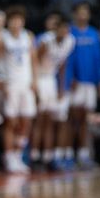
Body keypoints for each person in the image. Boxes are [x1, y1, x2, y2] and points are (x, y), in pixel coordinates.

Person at [0, 6, 37, 174]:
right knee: (10, 121)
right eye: (13, 20)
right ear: (8, 22)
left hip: (26, 83)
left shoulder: (28, 36)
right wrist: (3, 82)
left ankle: (18, 154)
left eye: (19, 20)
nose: (16, 23)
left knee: (26, 120)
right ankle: (9, 155)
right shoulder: (2, 37)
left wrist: (34, 81)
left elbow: (33, 59)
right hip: (11, 83)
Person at [33, 11, 75, 170]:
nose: (64, 32)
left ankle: (48, 157)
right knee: (39, 120)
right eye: (61, 28)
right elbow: (34, 62)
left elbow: (63, 64)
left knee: (50, 120)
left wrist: (61, 87)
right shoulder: (45, 41)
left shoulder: (70, 41)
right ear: (55, 29)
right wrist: (34, 85)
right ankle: (34, 156)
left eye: (66, 28)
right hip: (40, 78)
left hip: (51, 79)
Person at [67, 1, 100, 167]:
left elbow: (98, 59)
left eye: (85, 11)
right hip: (75, 82)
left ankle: (83, 153)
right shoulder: (70, 32)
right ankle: (68, 152)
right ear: (75, 14)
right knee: (72, 118)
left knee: (85, 120)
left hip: (90, 83)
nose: (83, 15)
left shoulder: (94, 34)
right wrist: (70, 78)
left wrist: (98, 81)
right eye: (80, 12)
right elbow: (67, 58)